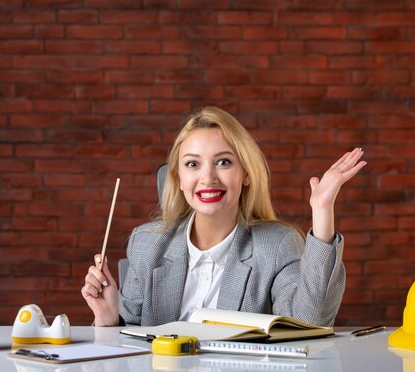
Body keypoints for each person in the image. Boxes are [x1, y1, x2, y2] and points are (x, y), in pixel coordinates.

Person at [81, 106, 366, 327]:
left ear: (245, 175)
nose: (207, 177)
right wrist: (108, 319)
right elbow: (127, 341)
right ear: (179, 179)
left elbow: (309, 324)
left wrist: (322, 212)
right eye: (193, 164)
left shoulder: (277, 244)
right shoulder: (147, 242)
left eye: (224, 162)